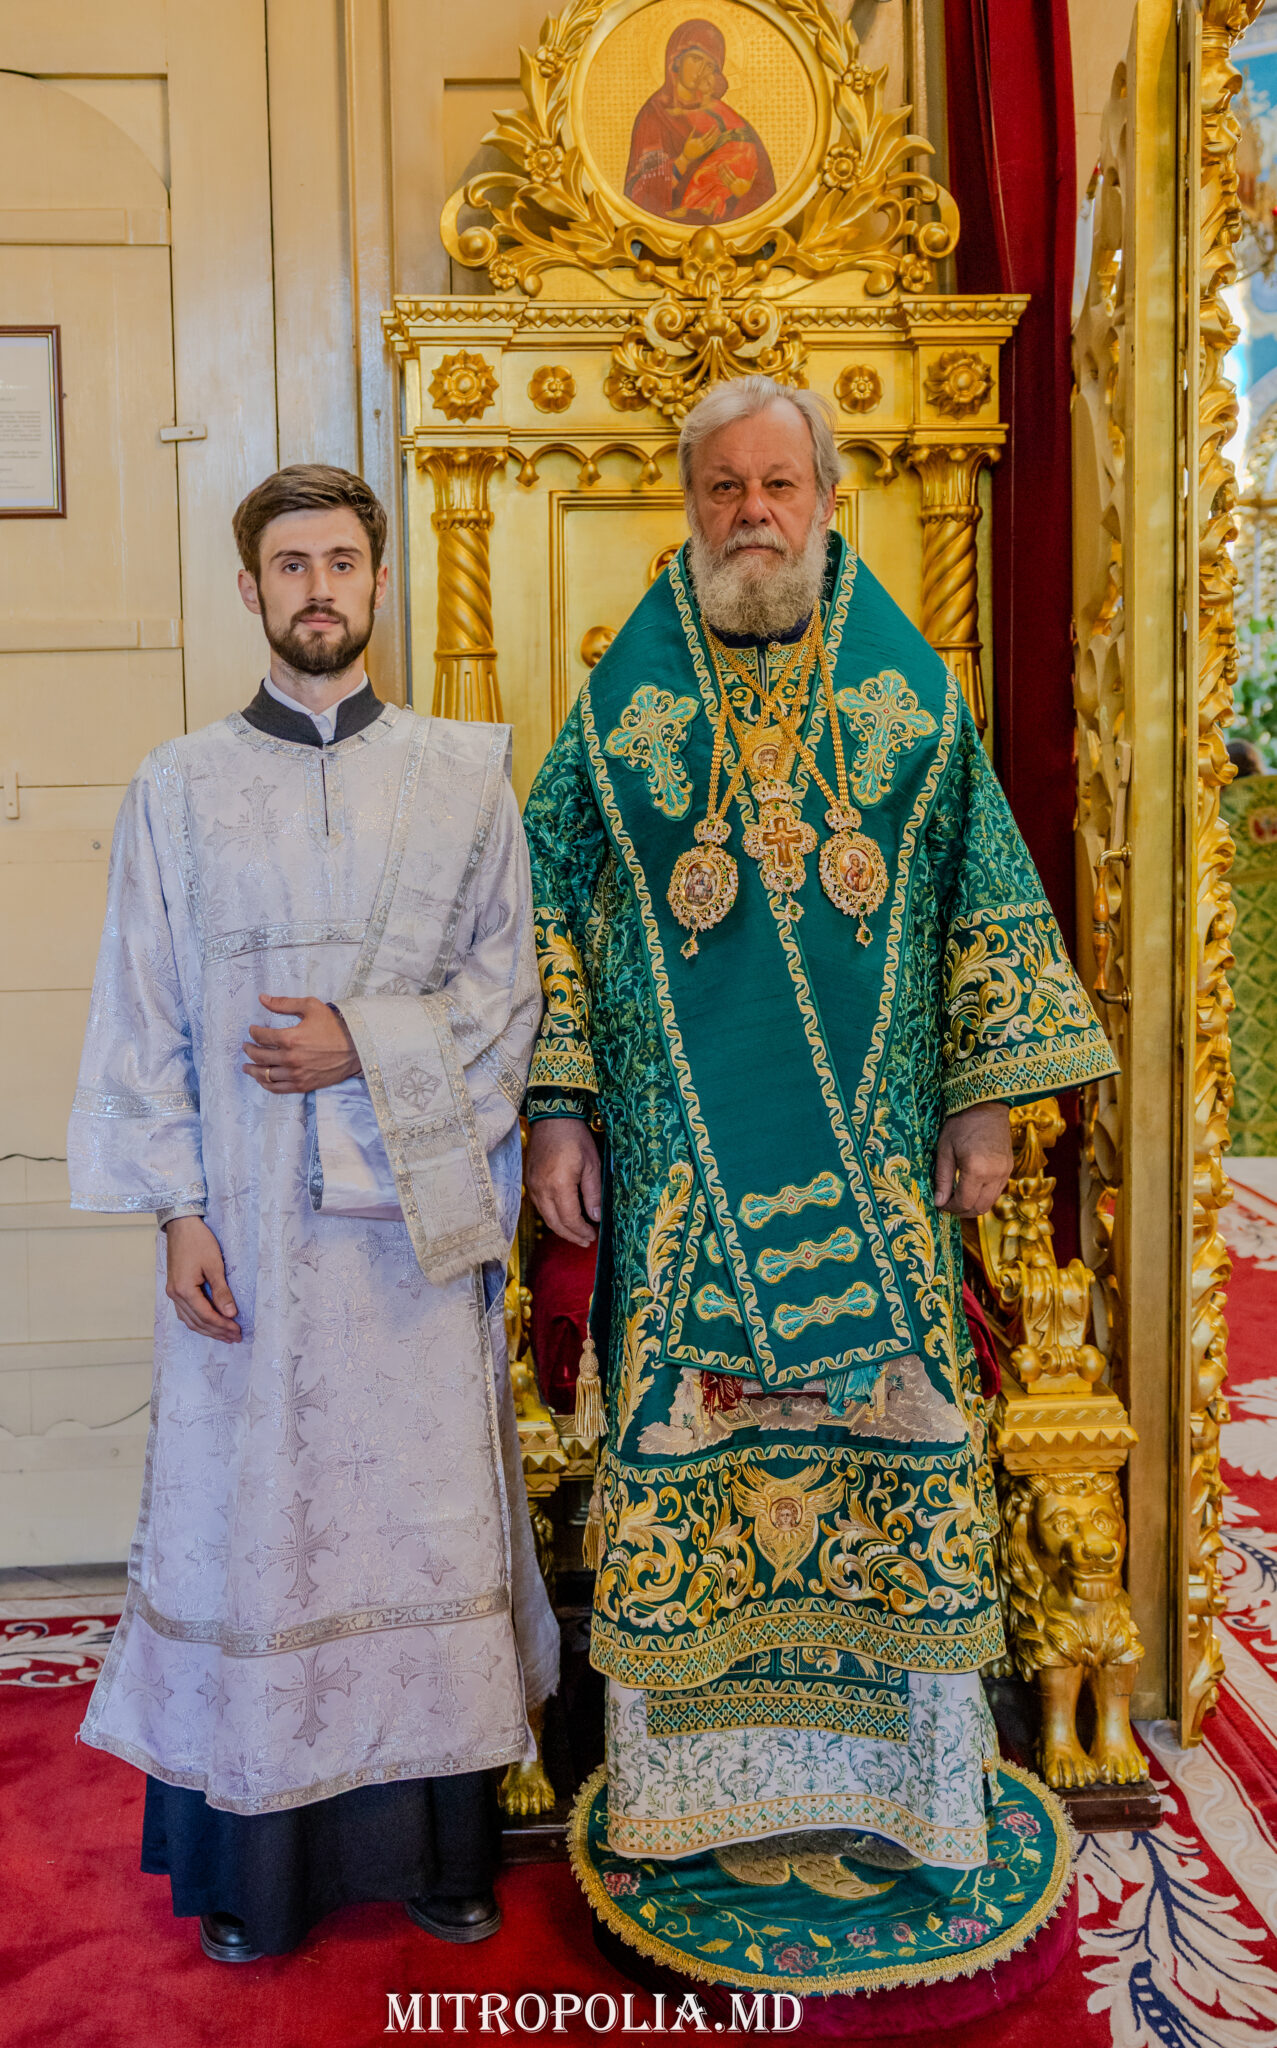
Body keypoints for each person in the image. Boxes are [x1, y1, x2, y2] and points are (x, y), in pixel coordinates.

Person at [522, 377, 1115, 1878]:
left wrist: (983, 1098)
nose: (753, 514)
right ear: (688, 505)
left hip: (877, 1168)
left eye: (778, 484)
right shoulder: (623, 707)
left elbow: (984, 901)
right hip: (681, 1186)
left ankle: (906, 1791)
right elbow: (542, 907)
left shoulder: (910, 694)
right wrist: (558, 1109)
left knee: (890, 1447)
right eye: (723, 488)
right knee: (688, 1447)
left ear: (829, 499)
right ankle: (690, 1801)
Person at [69, 463, 557, 1961]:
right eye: (291, 565)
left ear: (379, 580)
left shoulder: (467, 779)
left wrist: (364, 1042)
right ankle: (256, 1870)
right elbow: (141, 1010)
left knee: (421, 1529)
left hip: (410, 1245)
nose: (319, 588)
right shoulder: (178, 788)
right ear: (251, 589)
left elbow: (510, 992)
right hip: (249, 1241)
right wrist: (175, 1212)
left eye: (342, 560)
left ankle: (441, 1851)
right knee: (257, 1524)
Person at [624, 19, 776, 225]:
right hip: (666, 232)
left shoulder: (727, 117)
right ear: (676, 58)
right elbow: (638, 192)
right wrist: (684, 159)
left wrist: (743, 191)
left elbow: (764, 187)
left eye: (709, 65)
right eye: (695, 59)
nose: (700, 71)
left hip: (727, 231)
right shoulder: (654, 116)